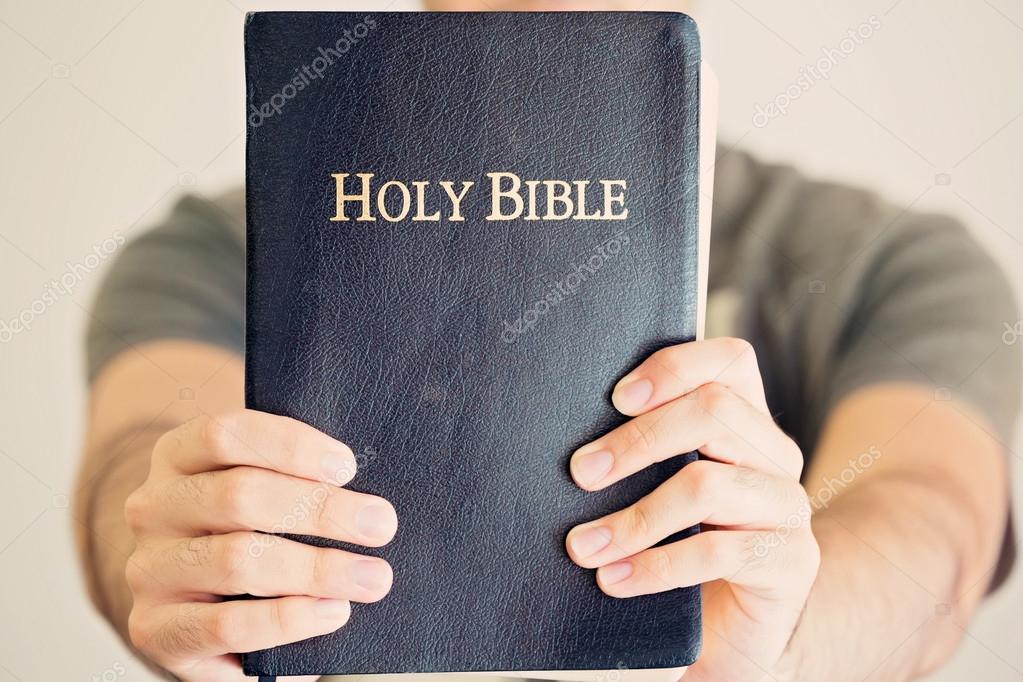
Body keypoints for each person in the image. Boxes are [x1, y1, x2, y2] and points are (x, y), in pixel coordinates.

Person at [74, 1, 1020, 681]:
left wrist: (780, 638)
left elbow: (930, 516)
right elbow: (136, 456)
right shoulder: (220, 245)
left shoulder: (885, 260)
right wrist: (185, 561)